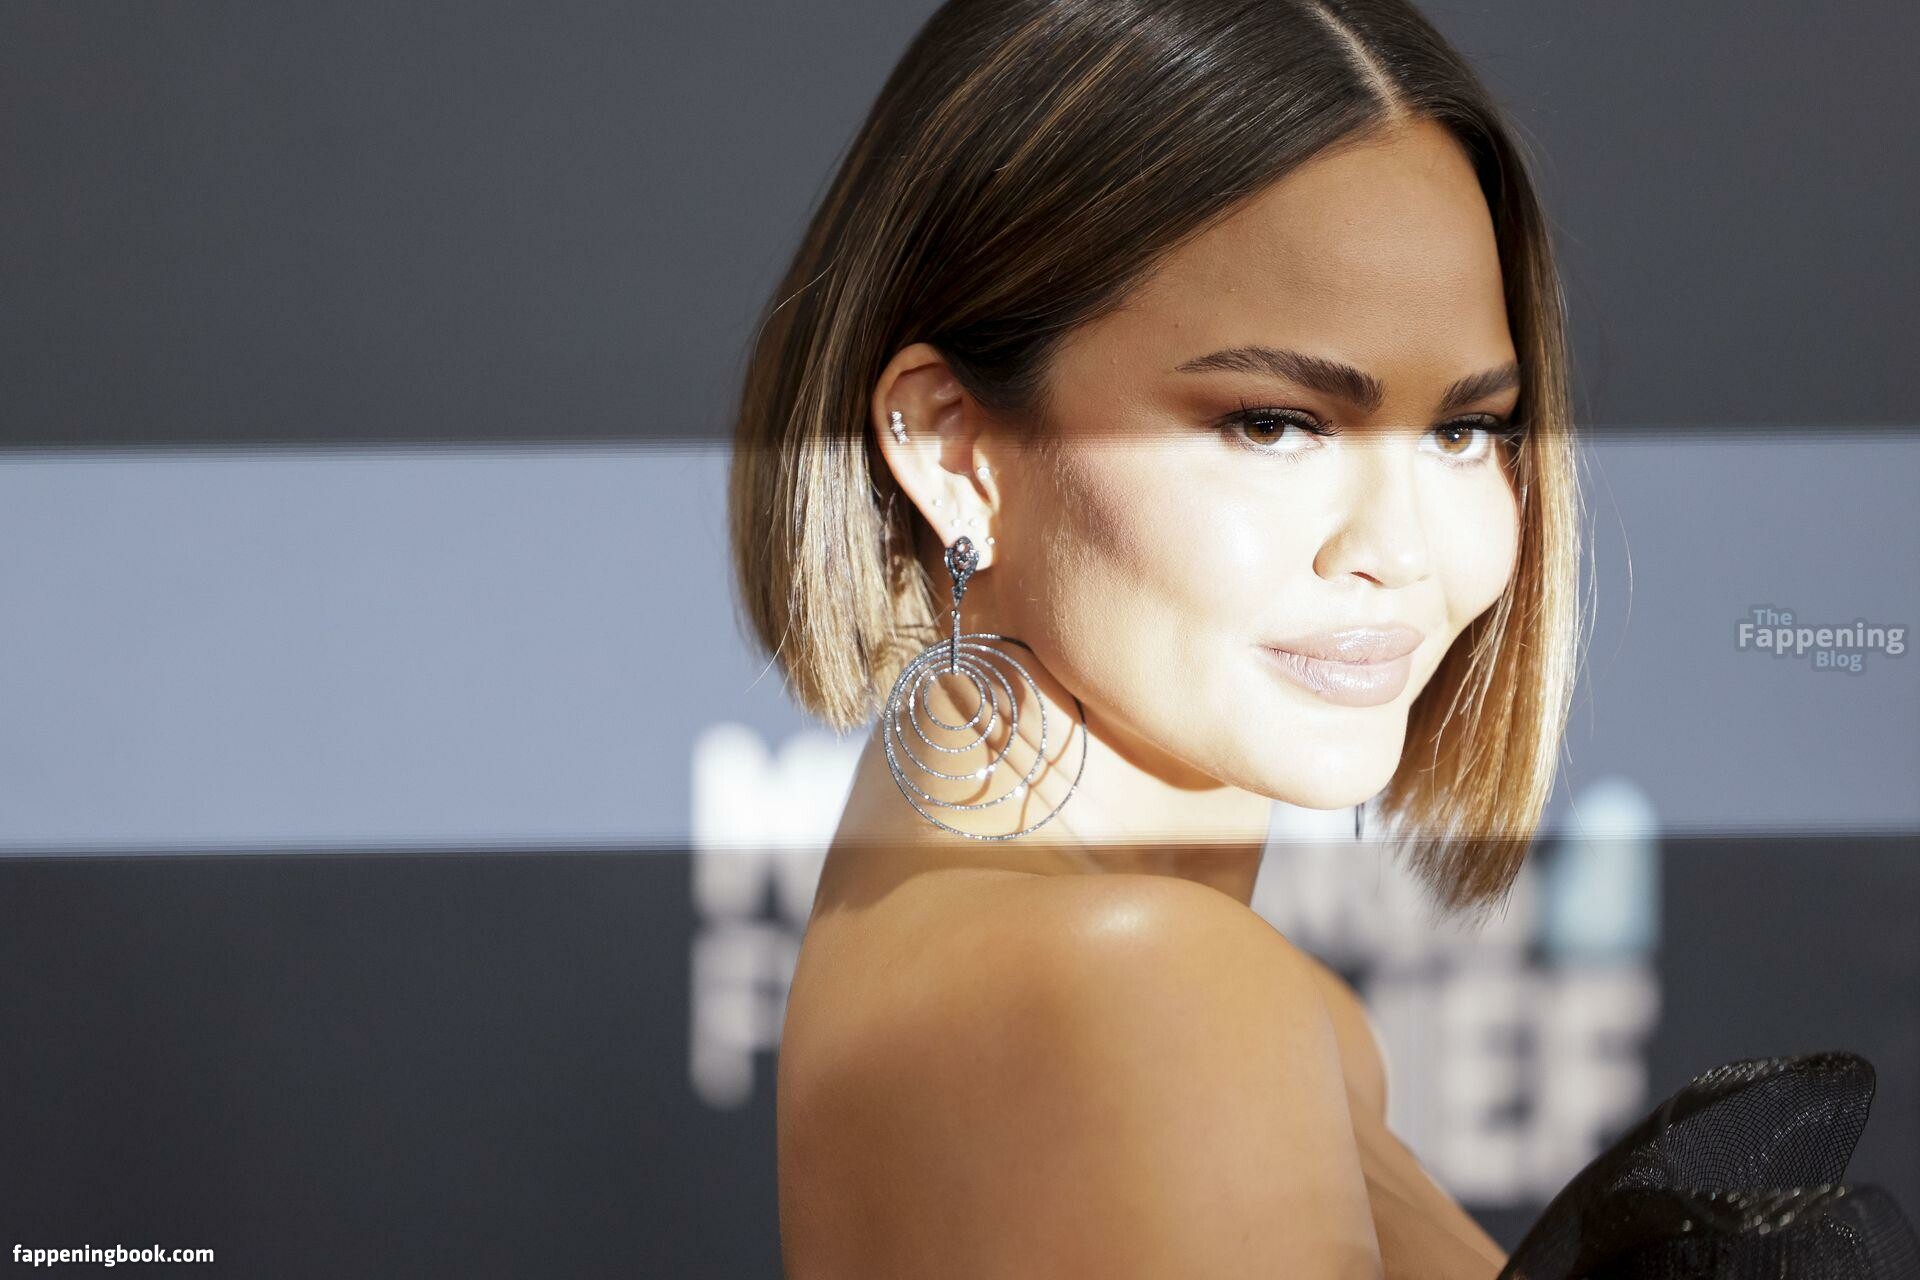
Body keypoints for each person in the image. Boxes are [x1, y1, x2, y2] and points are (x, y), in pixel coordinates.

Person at [730, 0, 1577, 1274]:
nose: (1399, 548)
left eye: (1465, 430)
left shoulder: (1003, 947)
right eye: (1272, 423)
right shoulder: (1142, 989)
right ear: (955, 445)